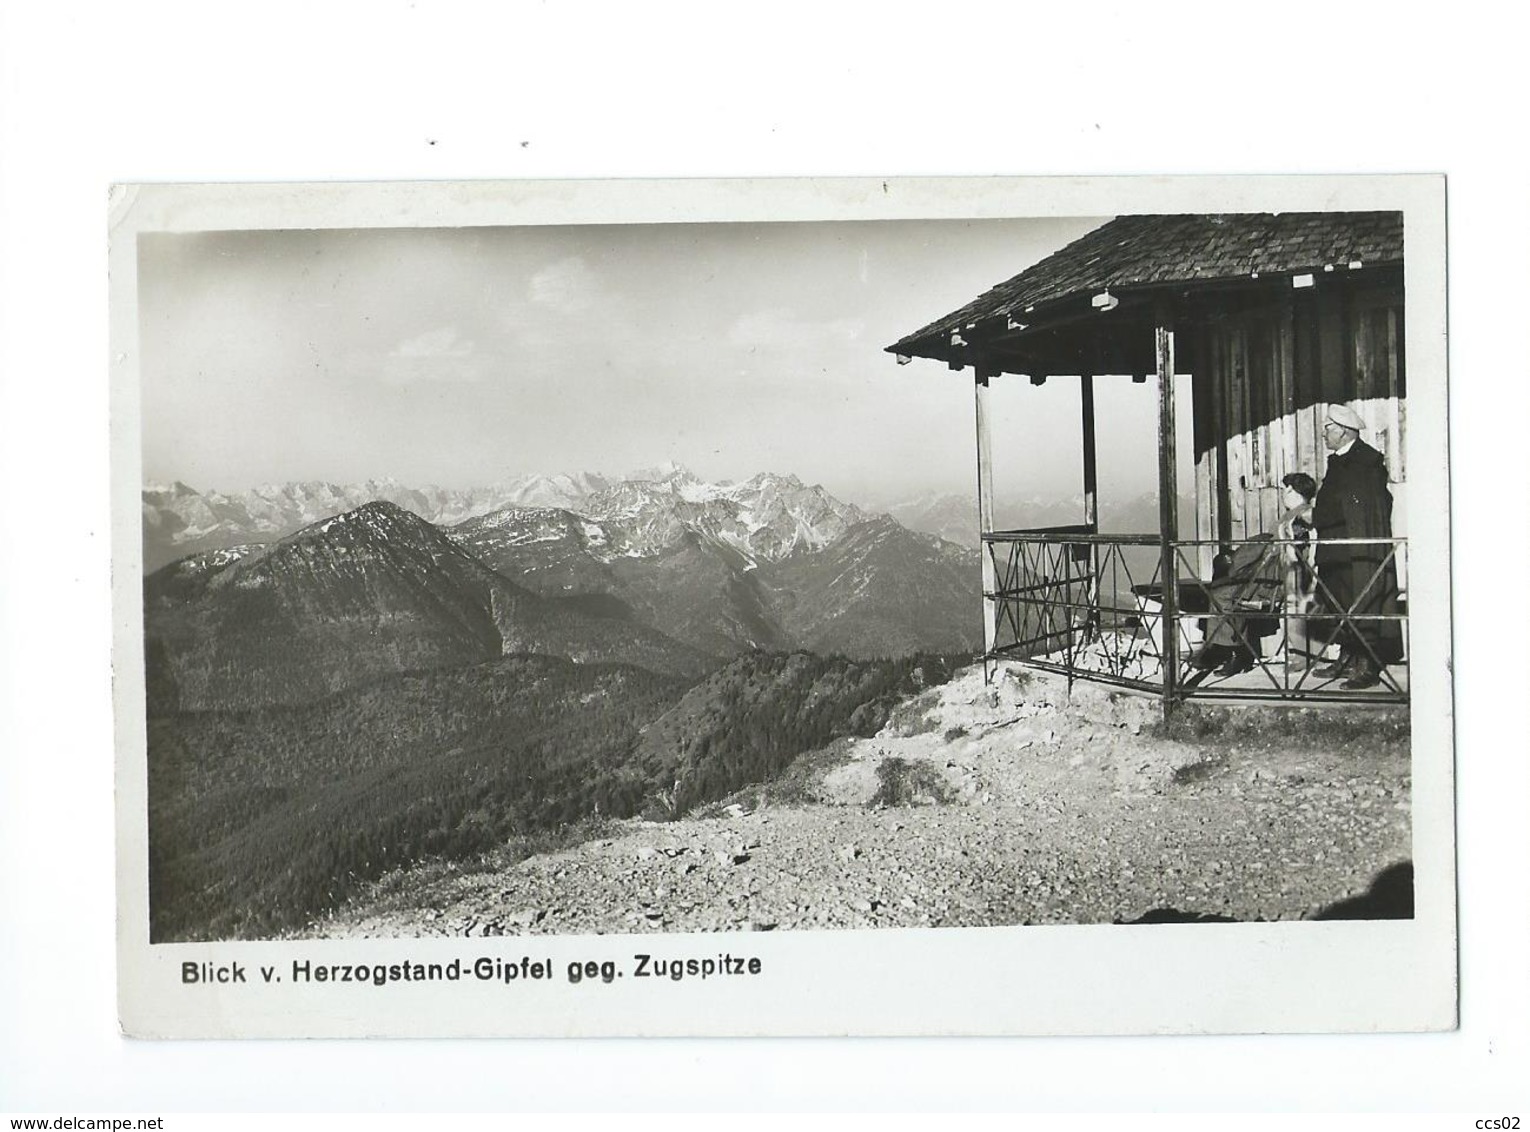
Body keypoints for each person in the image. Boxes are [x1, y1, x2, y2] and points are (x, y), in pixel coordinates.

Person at [1309, 403, 1402, 689]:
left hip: (1356, 552)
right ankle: (1347, 657)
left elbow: (1359, 507)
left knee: (1361, 601)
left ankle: (1368, 665)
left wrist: (1312, 514)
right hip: (1335, 549)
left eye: (1327, 428)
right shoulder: (1338, 460)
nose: (1323, 434)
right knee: (1338, 604)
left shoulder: (1365, 460)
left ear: (1344, 432)